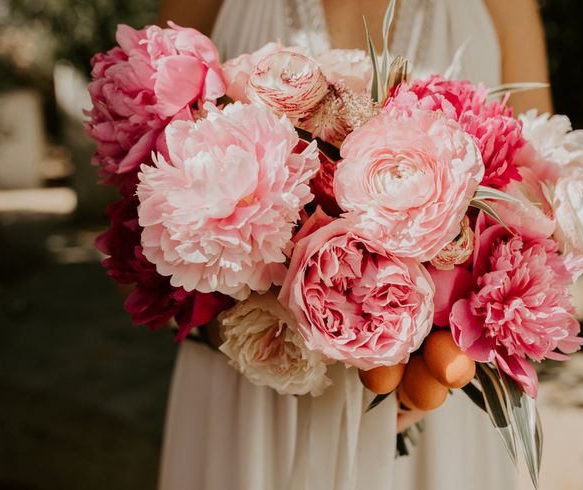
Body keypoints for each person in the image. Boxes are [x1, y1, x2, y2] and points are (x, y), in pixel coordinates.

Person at [155, 1, 553, 489]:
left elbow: (543, 198)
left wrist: (431, 356)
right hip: (253, 382)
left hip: (444, 399)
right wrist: (253, 330)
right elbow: (142, 214)